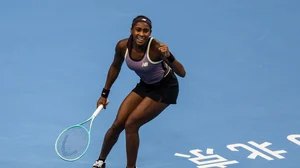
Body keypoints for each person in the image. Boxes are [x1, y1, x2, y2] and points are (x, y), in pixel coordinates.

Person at [92, 15, 186, 168]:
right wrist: (104, 94)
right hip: (145, 85)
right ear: (131, 30)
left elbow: (182, 73)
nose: (141, 34)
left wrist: (169, 56)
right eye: (138, 30)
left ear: (150, 32)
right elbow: (115, 66)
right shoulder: (122, 46)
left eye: (145, 31)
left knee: (132, 124)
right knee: (118, 124)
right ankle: (100, 161)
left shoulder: (156, 48)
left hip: (166, 88)